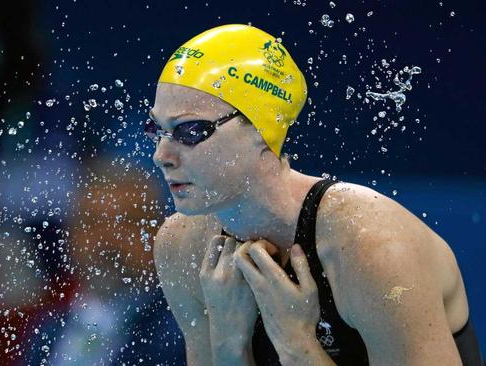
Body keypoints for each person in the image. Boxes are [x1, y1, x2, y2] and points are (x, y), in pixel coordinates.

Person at [148, 24, 483, 365]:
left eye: (189, 130)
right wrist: (229, 347)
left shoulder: (371, 246)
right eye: (156, 129)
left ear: (265, 129)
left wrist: (297, 346)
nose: (161, 155)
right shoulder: (182, 246)